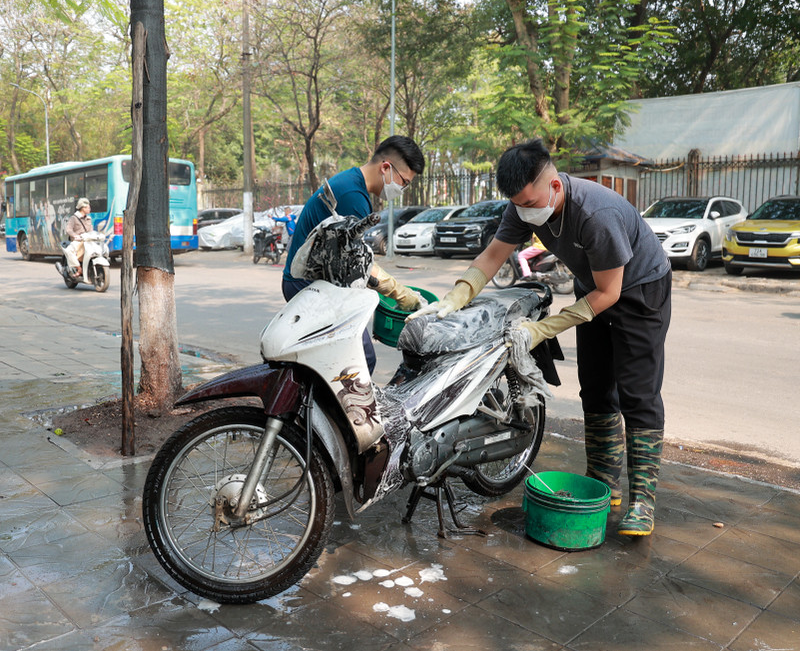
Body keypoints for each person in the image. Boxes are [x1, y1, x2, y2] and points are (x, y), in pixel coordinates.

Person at [410, 139, 671, 537]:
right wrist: (455, 296)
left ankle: (643, 502)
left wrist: (542, 330)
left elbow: (611, 293)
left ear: (555, 188)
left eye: (531, 203)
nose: (525, 213)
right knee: (596, 387)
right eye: (518, 204)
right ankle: (604, 480)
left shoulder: (596, 213)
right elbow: (494, 254)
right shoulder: (524, 206)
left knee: (638, 393)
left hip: (639, 289)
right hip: (593, 287)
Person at [282, 135, 426, 373]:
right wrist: (400, 293)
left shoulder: (351, 182)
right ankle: (342, 411)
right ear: (386, 167)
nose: (402, 189)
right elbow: (359, 265)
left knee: (338, 360)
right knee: (360, 360)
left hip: (314, 281)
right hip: (307, 286)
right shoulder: (352, 197)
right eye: (404, 182)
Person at [64, 197, 93, 276]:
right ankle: (79, 268)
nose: (89, 209)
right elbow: (68, 229)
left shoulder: (88, 219)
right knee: (68, 251)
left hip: (87, 241)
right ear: (82, 208)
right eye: (88, 207)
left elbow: (91, 231)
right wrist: (75, 236)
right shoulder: (74, 218)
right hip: (78, 241)